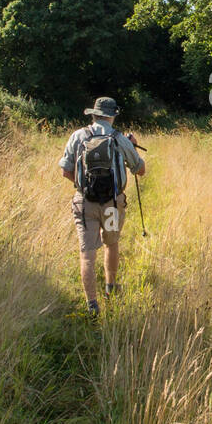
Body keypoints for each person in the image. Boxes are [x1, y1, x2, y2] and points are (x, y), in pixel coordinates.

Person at [58, 96, 146, 317]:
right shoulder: (119, 139)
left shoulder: (78, 136)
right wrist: (133, 145)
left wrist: (84, 187)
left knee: (87, 254)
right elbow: (140, 170)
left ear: (94, 114)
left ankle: (92, 305)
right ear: (112, 115)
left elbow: (65, 171)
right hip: (112, 205)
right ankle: (110, 286)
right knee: (112, 243)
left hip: (85, 203)